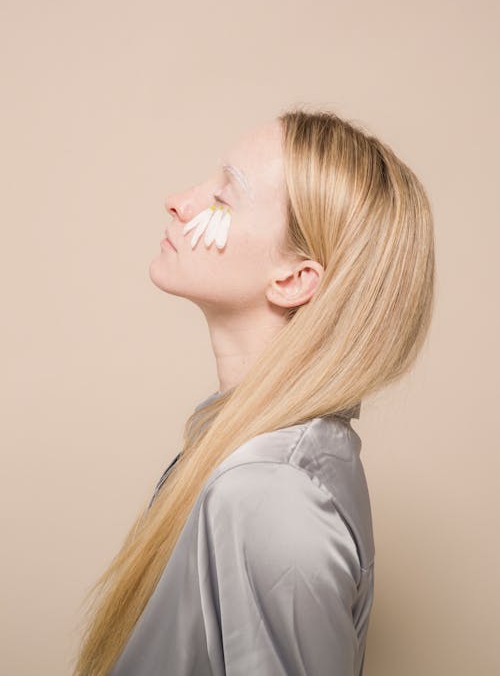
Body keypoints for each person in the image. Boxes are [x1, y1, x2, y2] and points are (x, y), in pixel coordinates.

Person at [72, 108, 436, 675]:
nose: (179, 201)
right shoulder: (239, 447)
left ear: (293, 279)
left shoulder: (270, 494)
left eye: (226, 195)